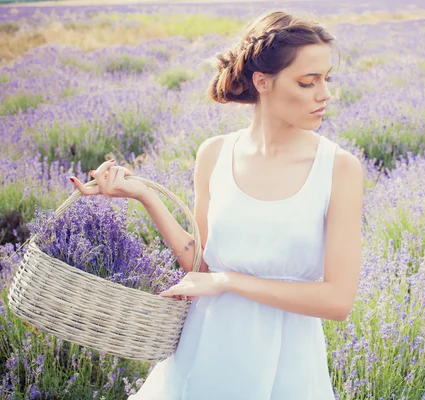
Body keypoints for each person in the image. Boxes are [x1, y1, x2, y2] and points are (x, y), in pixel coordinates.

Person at [69, 9, 364, 400]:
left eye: (327, 79)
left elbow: (338, 301)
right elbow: (202, 266)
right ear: (262, 82)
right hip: (205, 345)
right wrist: (146, 196)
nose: (325, 94)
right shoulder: (214, 154)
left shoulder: (338, 168)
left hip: (287, 361)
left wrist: (229, 282)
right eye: (309, 82)